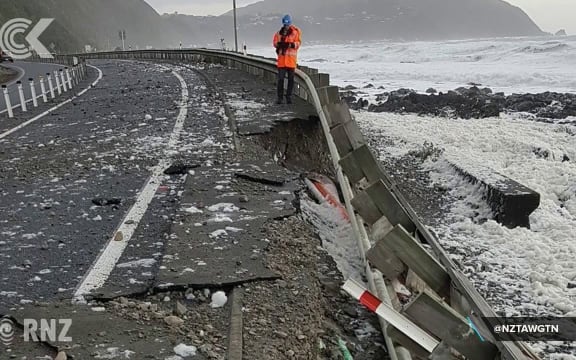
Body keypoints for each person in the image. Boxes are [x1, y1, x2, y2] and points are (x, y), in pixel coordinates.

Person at [273, 14, 301, 104]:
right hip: (282, 61)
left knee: (291, 80)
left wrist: (290, 45)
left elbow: (298, 43)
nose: (286, 27)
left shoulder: (295, 33)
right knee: (280, 80)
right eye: (285, 25)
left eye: (287, 25)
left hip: (291, 62)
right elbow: (274, 43)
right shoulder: (278, 33)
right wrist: (279, 44)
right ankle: (280, 98)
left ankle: (288, 97)